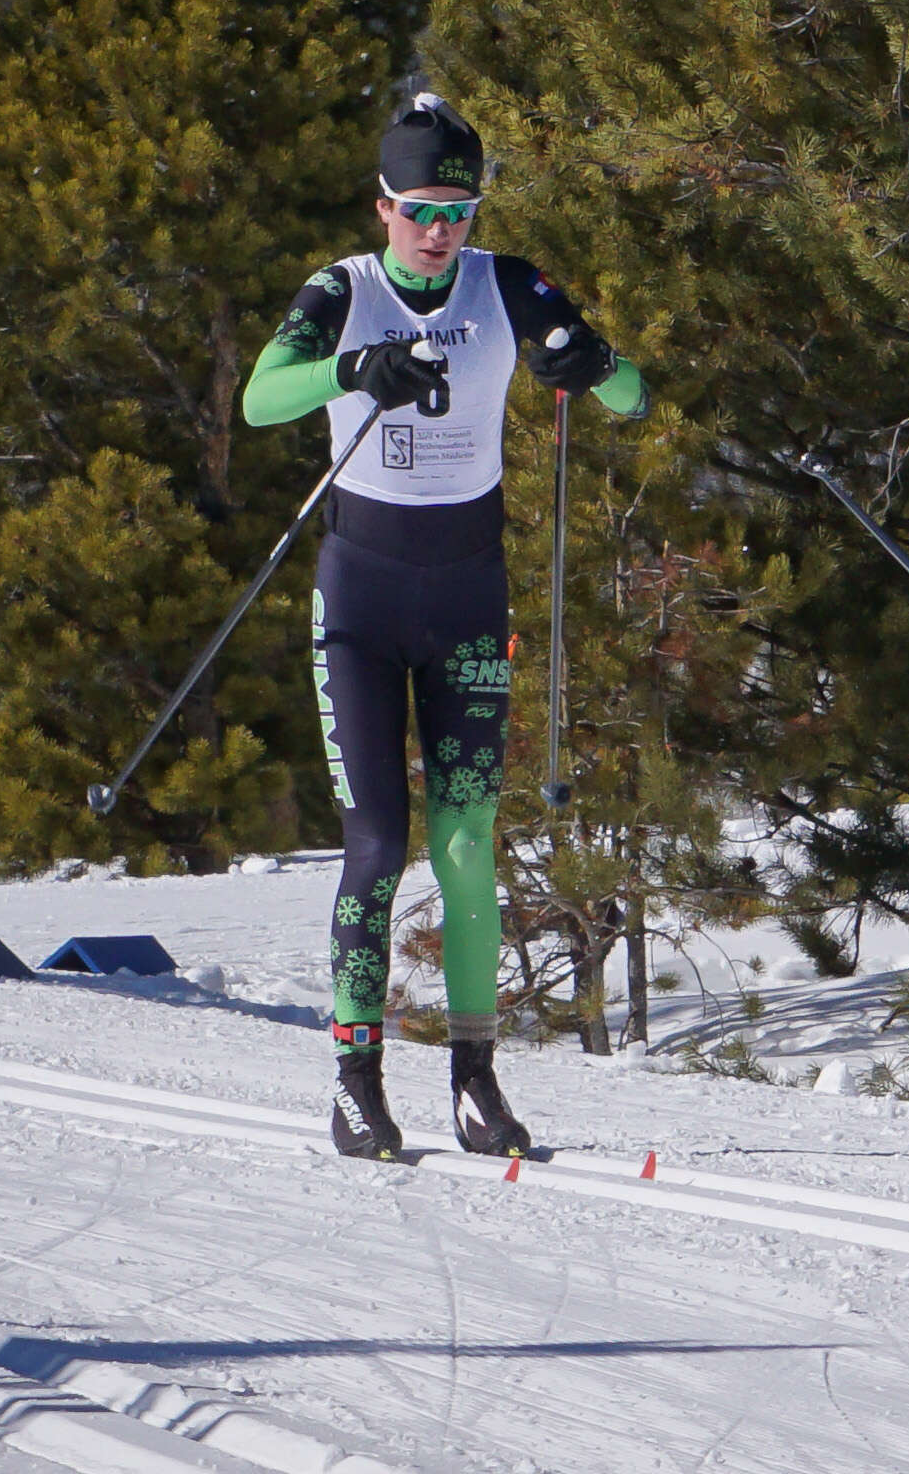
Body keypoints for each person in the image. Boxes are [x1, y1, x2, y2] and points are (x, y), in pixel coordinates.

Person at [242, 93, 649, 1162]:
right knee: (376, 844)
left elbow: (634, 394)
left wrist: (589, 362)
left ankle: (475, 1080)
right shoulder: (344, 289)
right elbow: (258, 399)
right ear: (382, 206)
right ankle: (355, 1082)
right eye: (422, 209)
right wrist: (350, 368)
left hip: (469, 596)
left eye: (460, 211)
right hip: (364, 604)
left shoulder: (504, 281)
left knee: (468, 843)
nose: (441, 232)